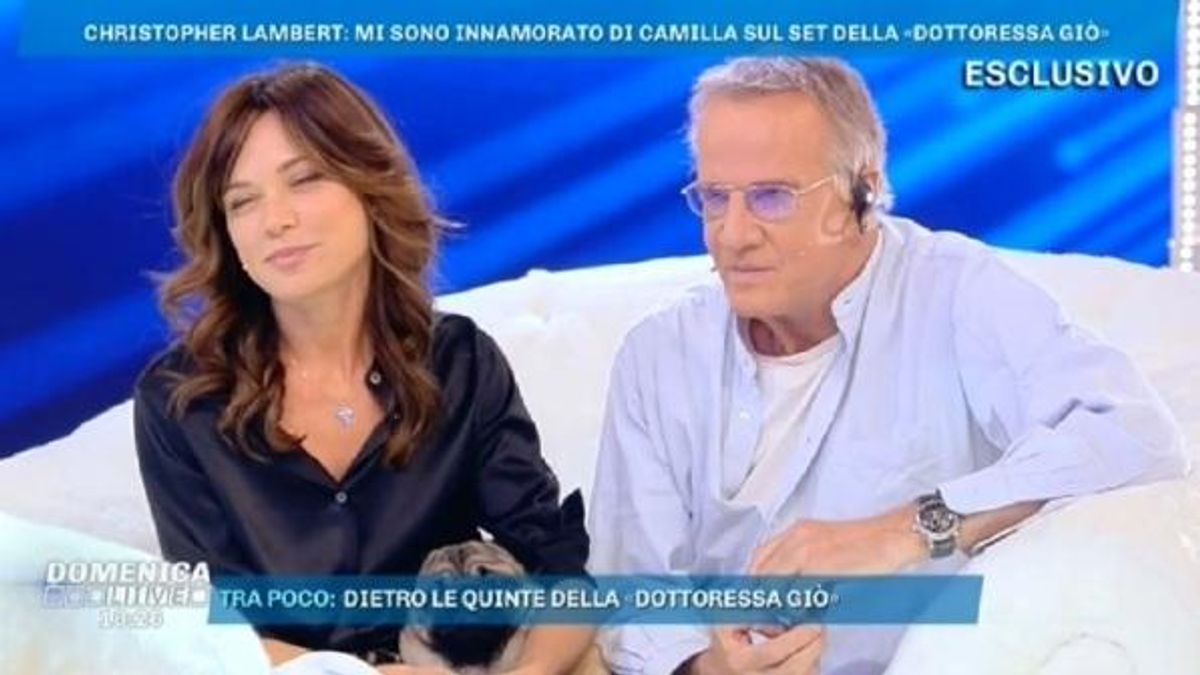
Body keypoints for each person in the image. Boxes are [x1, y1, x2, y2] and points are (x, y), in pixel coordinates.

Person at [587, 56, 1189, 675]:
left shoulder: (956, 293)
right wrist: (703, 667)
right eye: (715, 198)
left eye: (771, 198)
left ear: (861, 193)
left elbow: (1133, 435)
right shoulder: (657, 354)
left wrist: (908, 529)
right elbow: (630, 589)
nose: (732, 235)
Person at [133, 62, 593, 674]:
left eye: (304, 180)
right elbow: (218, 628)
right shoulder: (179, 402)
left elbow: (558, 568)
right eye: (242, 201)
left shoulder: (459, 361)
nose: (275, 220)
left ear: (369, 185)